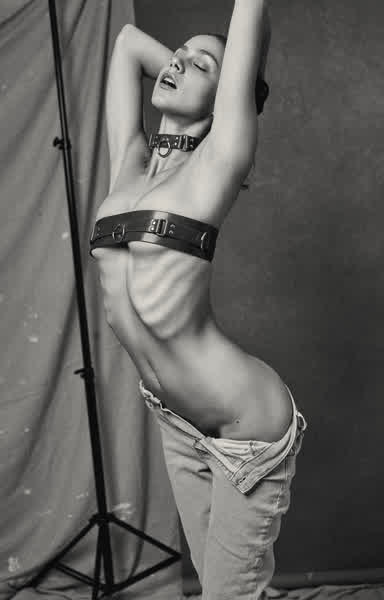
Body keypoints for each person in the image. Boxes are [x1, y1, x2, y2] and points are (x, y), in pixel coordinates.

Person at [91, 1, 307, 597]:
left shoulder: (219, 159)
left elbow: (249, 11)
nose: (178, 63)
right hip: (176, 421)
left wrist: (221, 90)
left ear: (229, 95)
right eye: (178, 55)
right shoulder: (130, 162)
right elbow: (129, 42)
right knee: (216, 588)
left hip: (246, 428)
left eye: (203, 63)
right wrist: (194, 75)